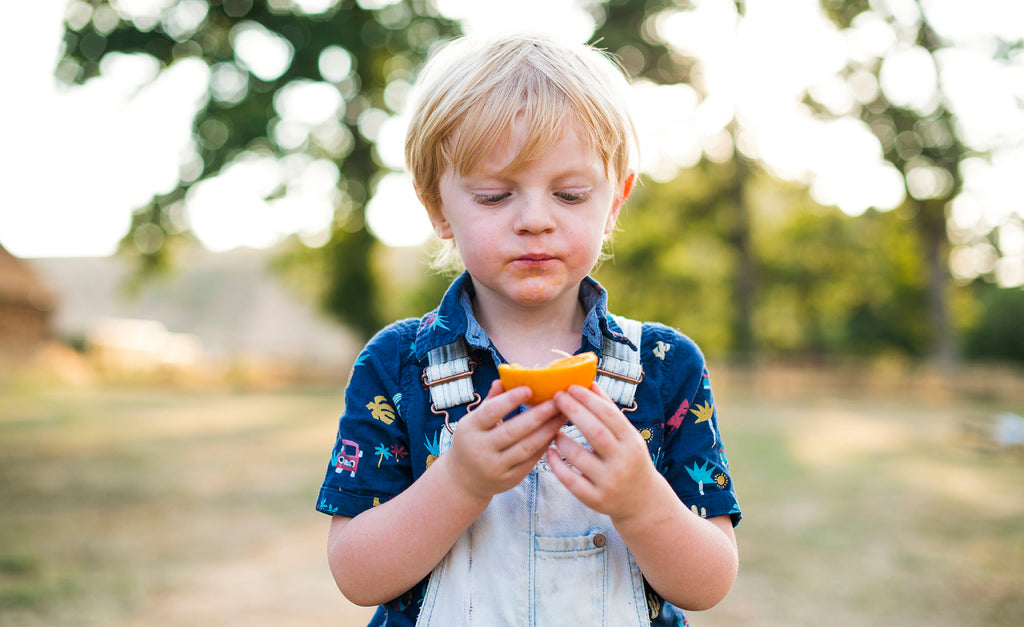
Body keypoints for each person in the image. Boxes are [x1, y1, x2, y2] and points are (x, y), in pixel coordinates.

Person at [315, 34, 741, 626]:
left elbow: (710, 582)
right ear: (438, 207)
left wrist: (642, 502)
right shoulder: (397, 364)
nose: (535, 221)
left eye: (569, 195)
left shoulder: (665, 366)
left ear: (615, 201)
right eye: (494, 196)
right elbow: (357, 576)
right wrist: (458, 483)